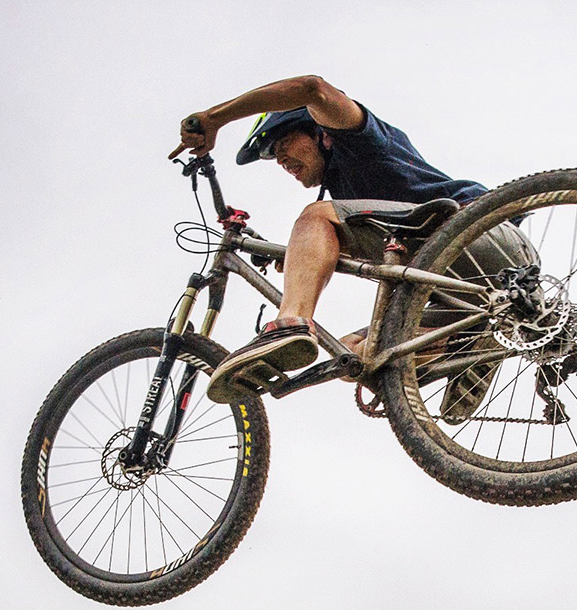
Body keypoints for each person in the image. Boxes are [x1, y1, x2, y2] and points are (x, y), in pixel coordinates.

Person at [170, 75, 532, 411]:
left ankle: (290, 325)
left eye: (284, 142)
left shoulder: (359, 139)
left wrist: (215, 117)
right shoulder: (351, 199)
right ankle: (472, 346)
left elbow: (313, 88)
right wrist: (297, 257)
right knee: (355, 356)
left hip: (480, 235)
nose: (280, 158)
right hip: (471, 292)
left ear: (320, 132)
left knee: (315, 215)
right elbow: (333, 245)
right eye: (274, 155)